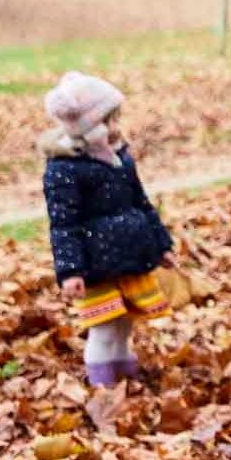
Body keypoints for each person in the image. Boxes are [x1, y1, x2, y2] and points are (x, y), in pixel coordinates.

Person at [40, 71, 174, 389]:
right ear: (90, 126)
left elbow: (141, 203)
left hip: (128, 260)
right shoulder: (64, 170)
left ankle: (127, 380)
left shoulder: (119, 158)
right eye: (111, 120)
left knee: (125, 324)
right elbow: (63, 224)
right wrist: (71, 270)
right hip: (95, 266)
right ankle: (104, 387)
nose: (118, 127)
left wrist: (161, 245)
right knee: (104, 328)